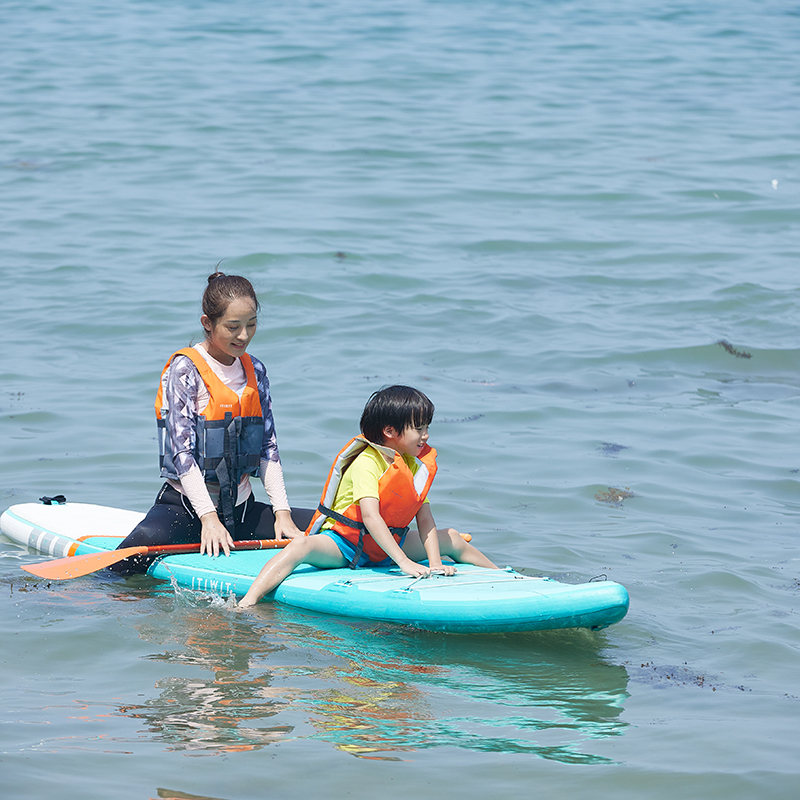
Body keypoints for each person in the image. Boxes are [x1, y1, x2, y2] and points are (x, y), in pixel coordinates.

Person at [112, 271, 313, 573]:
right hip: (186, 511)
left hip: (242, 510)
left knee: (330, 527)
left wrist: (281, 512)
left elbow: (268, 448)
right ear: (208, 323)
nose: (243, 335)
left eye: (251, 324)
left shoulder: (256, 370)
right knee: (136, 550)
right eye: (233, 327)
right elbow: (182, 455)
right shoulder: (186, 370)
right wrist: (208, 518)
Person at [238, 385, 498, 607]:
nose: (426, 436)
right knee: (300, 547)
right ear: (390, 431)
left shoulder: (413, 465)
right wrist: (404, 562)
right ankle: (247, 603)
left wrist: (435, 563)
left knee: (452, 538)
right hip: (346, 545)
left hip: (390, 544)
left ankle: (505, 578)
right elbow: (371, 518)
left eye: (427, 427)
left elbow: (425, 519)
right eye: (419, 428)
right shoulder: (367, 462)